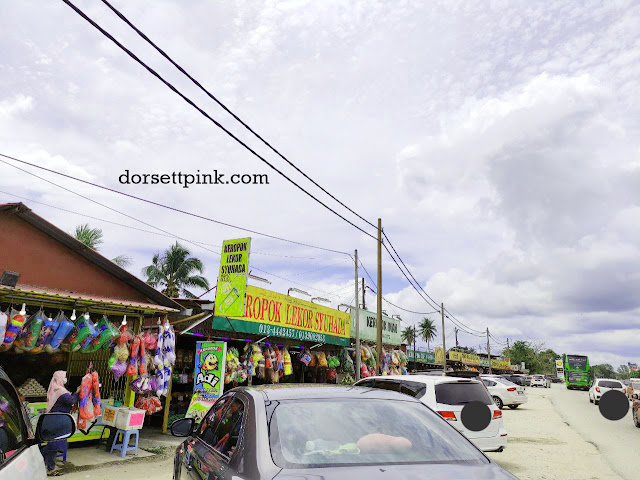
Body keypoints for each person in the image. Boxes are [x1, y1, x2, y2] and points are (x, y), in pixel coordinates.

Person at [40, 371, 79, 476]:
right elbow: (71, 400)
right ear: (59, 378)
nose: (65, 379)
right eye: (64, 377)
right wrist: (78, 391)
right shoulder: (60, 391)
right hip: (57, 420)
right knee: (54, 445)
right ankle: (47, 465)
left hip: (57, 419)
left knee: (55, 444)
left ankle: (45, 464)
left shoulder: (57, 389)